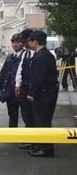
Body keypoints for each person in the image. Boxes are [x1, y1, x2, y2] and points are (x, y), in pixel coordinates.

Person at [23, 30, 60, 158]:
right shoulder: (44, 54)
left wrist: (32, 93)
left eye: (30, 40)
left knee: (43, 121)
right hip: (45, 92)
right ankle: (40, 145)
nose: (29, 43)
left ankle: (46, 149)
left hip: (44, 94)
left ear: (35, 42)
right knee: (40, 121)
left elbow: (38, 77)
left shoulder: (42, 56)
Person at [0, 34, 26, 127]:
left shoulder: (26, 56)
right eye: (13, 42)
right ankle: (13, 133)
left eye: (18, 42)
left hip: (22, 90)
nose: (15, 44)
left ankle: (29, 134)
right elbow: (3, 72)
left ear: (22, 43)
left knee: (26, 115)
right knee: (12, 114)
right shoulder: (10, 57)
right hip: (10, 91)